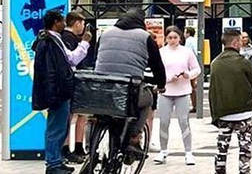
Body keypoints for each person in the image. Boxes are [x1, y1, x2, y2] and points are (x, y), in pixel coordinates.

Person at [94, 9, 167, 158]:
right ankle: (133, 138)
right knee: (147, 100)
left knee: (103, 115)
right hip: (129, 89)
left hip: (102, 88)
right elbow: (157, 66)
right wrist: (161, 85)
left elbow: (97, 57)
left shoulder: (105, 34)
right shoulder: (145, 37)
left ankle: (92, 147)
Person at [32, 9, 92, 174]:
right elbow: (71, 59)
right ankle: (53, 164)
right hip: (58, 91)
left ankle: (56, 161)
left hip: (56, 91)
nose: (64, 24)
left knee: (60, 127)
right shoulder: (52, 41)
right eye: (62, 21)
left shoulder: (50, 40)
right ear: (55, 23)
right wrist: (85, 42)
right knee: (56, 128)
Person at [210, 28, 252, 174]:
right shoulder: (243, 62)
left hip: (223, 113)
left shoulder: (215, 63)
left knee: (222, 147)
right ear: (236, 42)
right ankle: (244, 171)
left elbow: (213, 89)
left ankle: (220, 169)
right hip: (244, 112)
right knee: (245, 148)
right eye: (240, 41)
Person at [155, 27, 201, 164]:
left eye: (175, 37)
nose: (173, 40)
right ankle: (163, 151)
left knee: (184, 121)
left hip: (182, 91)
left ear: (180, 38)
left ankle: (188, 152)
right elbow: (157, 71)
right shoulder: (161, 52)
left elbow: (196, 68)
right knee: (163, 122)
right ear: (166, 38)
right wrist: (168, 78)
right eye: (170, 38)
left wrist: (188, 75)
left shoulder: (186, 52)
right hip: (166, 91)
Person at [60, 11, 92, 163]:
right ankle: (67, 148)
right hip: (74, 80)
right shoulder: (67, 38)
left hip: (78, 80)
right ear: (77, 23)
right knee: (72, 115)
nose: (84, 27)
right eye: (83, 24)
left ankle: (78, 146)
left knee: (81, 114)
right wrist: (85, 42)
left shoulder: (70, 38)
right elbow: (73, 59)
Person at [184, 26, 199, 113]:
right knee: (193, 86)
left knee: (192, 87)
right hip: (195, 66)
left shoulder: (189, 41)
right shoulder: (195, 40)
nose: (184, 34)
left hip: (190, 67)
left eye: (185, 32)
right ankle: (195, 105)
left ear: (188, 33)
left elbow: (188, 54)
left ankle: (195, 105)